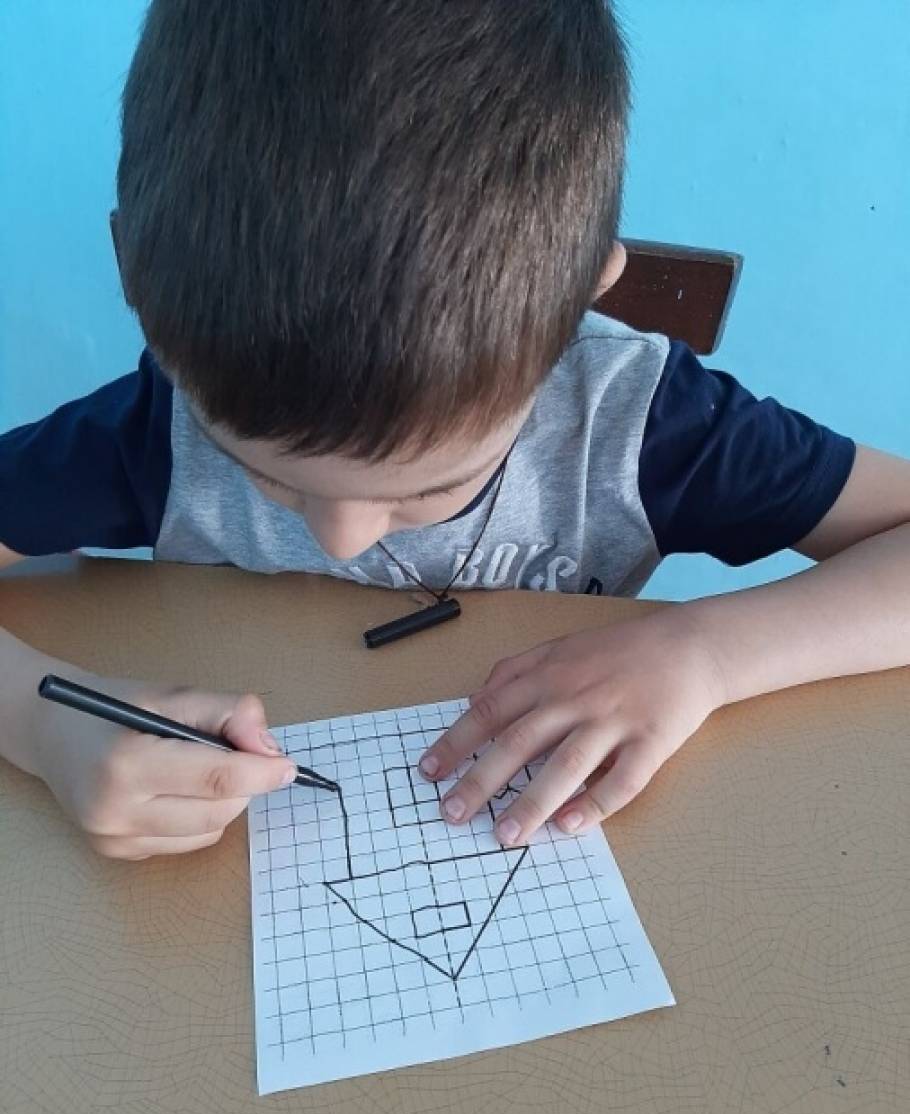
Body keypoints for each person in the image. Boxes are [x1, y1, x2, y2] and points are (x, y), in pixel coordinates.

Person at [1, 1, 907, 861]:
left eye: (429, 487)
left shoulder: (639, 422)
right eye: (267, 476)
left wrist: (704, 652)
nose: (342, 536)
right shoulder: (153, 429)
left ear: (575, 303)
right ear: (139, 289)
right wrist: (36, 719)